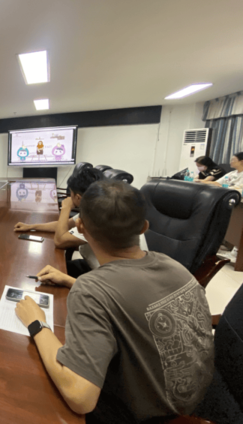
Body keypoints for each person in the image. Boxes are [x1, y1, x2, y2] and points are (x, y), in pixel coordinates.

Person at [15, 180, 214, 423]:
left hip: (150, 416)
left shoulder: (91, 290)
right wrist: (70, 280)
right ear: (144, 227)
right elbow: (132, 299)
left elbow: (80, 397)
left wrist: (37, 323)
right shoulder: (175, 266)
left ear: (80, 227)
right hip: (198, 399)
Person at [16, 167, 148, 277]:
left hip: (105, 276)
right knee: (47, 267)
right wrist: (31, 226)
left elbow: (60, 240)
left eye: (71, 194)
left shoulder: (98, 218)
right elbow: (66, 224)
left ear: (78, 197)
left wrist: (66, 208)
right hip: (94, 267)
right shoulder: (98, 207)